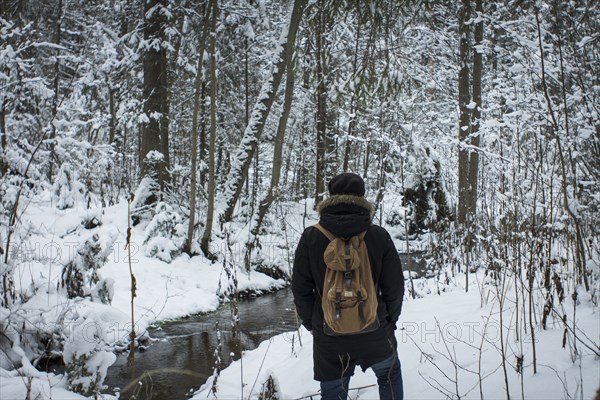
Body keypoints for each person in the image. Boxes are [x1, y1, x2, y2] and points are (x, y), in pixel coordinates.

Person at [292, 172, 405, 400]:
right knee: (389, 375)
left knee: (334, 391)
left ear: (331, 197)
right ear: (362, 197)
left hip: (329, 333)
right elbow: (395, 287)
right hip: (375, 329)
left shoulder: (311, 237)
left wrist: (312, 324)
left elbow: (301, 289)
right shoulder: (379, 236)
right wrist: (388, 320)